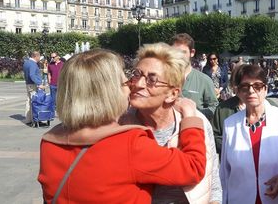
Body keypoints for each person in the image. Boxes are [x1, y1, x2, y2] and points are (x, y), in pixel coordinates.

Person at [38, 49, 207, 204]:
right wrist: (191, 118)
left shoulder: (49, 143)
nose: (131, 85)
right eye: (124, 81)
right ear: (110, 93)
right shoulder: (129, 144)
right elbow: (193, 168)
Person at [119, 42, 222, 204]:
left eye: (152, 80)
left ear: (172, 94)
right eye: (137, 74)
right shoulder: (120, 126)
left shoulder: (197, 122)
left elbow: (213, 179)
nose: (138, 84)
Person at [220, 64, 278, 204]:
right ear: (238, 91)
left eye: (257, 86)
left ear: (265, 89)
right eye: (245, 86)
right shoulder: (230, 125)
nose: (251, 91)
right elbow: (225, 174)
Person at [170, 33, 218, 122]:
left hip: (195, 129)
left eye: (182, 52)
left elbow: (214, 106)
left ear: (192, 53)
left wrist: (197, 114)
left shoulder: (204, 80)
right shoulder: (162, 79)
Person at [212, 64, 246, 155]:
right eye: (237, 83)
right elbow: (215, 136)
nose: (240, 87)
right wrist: (231, 147)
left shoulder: (265, 108)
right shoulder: (222, 109)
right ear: (232, 86)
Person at [23, 51, 44, 124]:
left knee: (29, 101)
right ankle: (35, 119)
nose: (39, 58)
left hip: (28, 84)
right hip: (33, 84)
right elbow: (32, 75)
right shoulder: (32, 64)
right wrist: (39, 83)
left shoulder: (26, 62)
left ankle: (28, 118)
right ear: (36, 56)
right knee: (34, 101)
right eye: (39, 57)